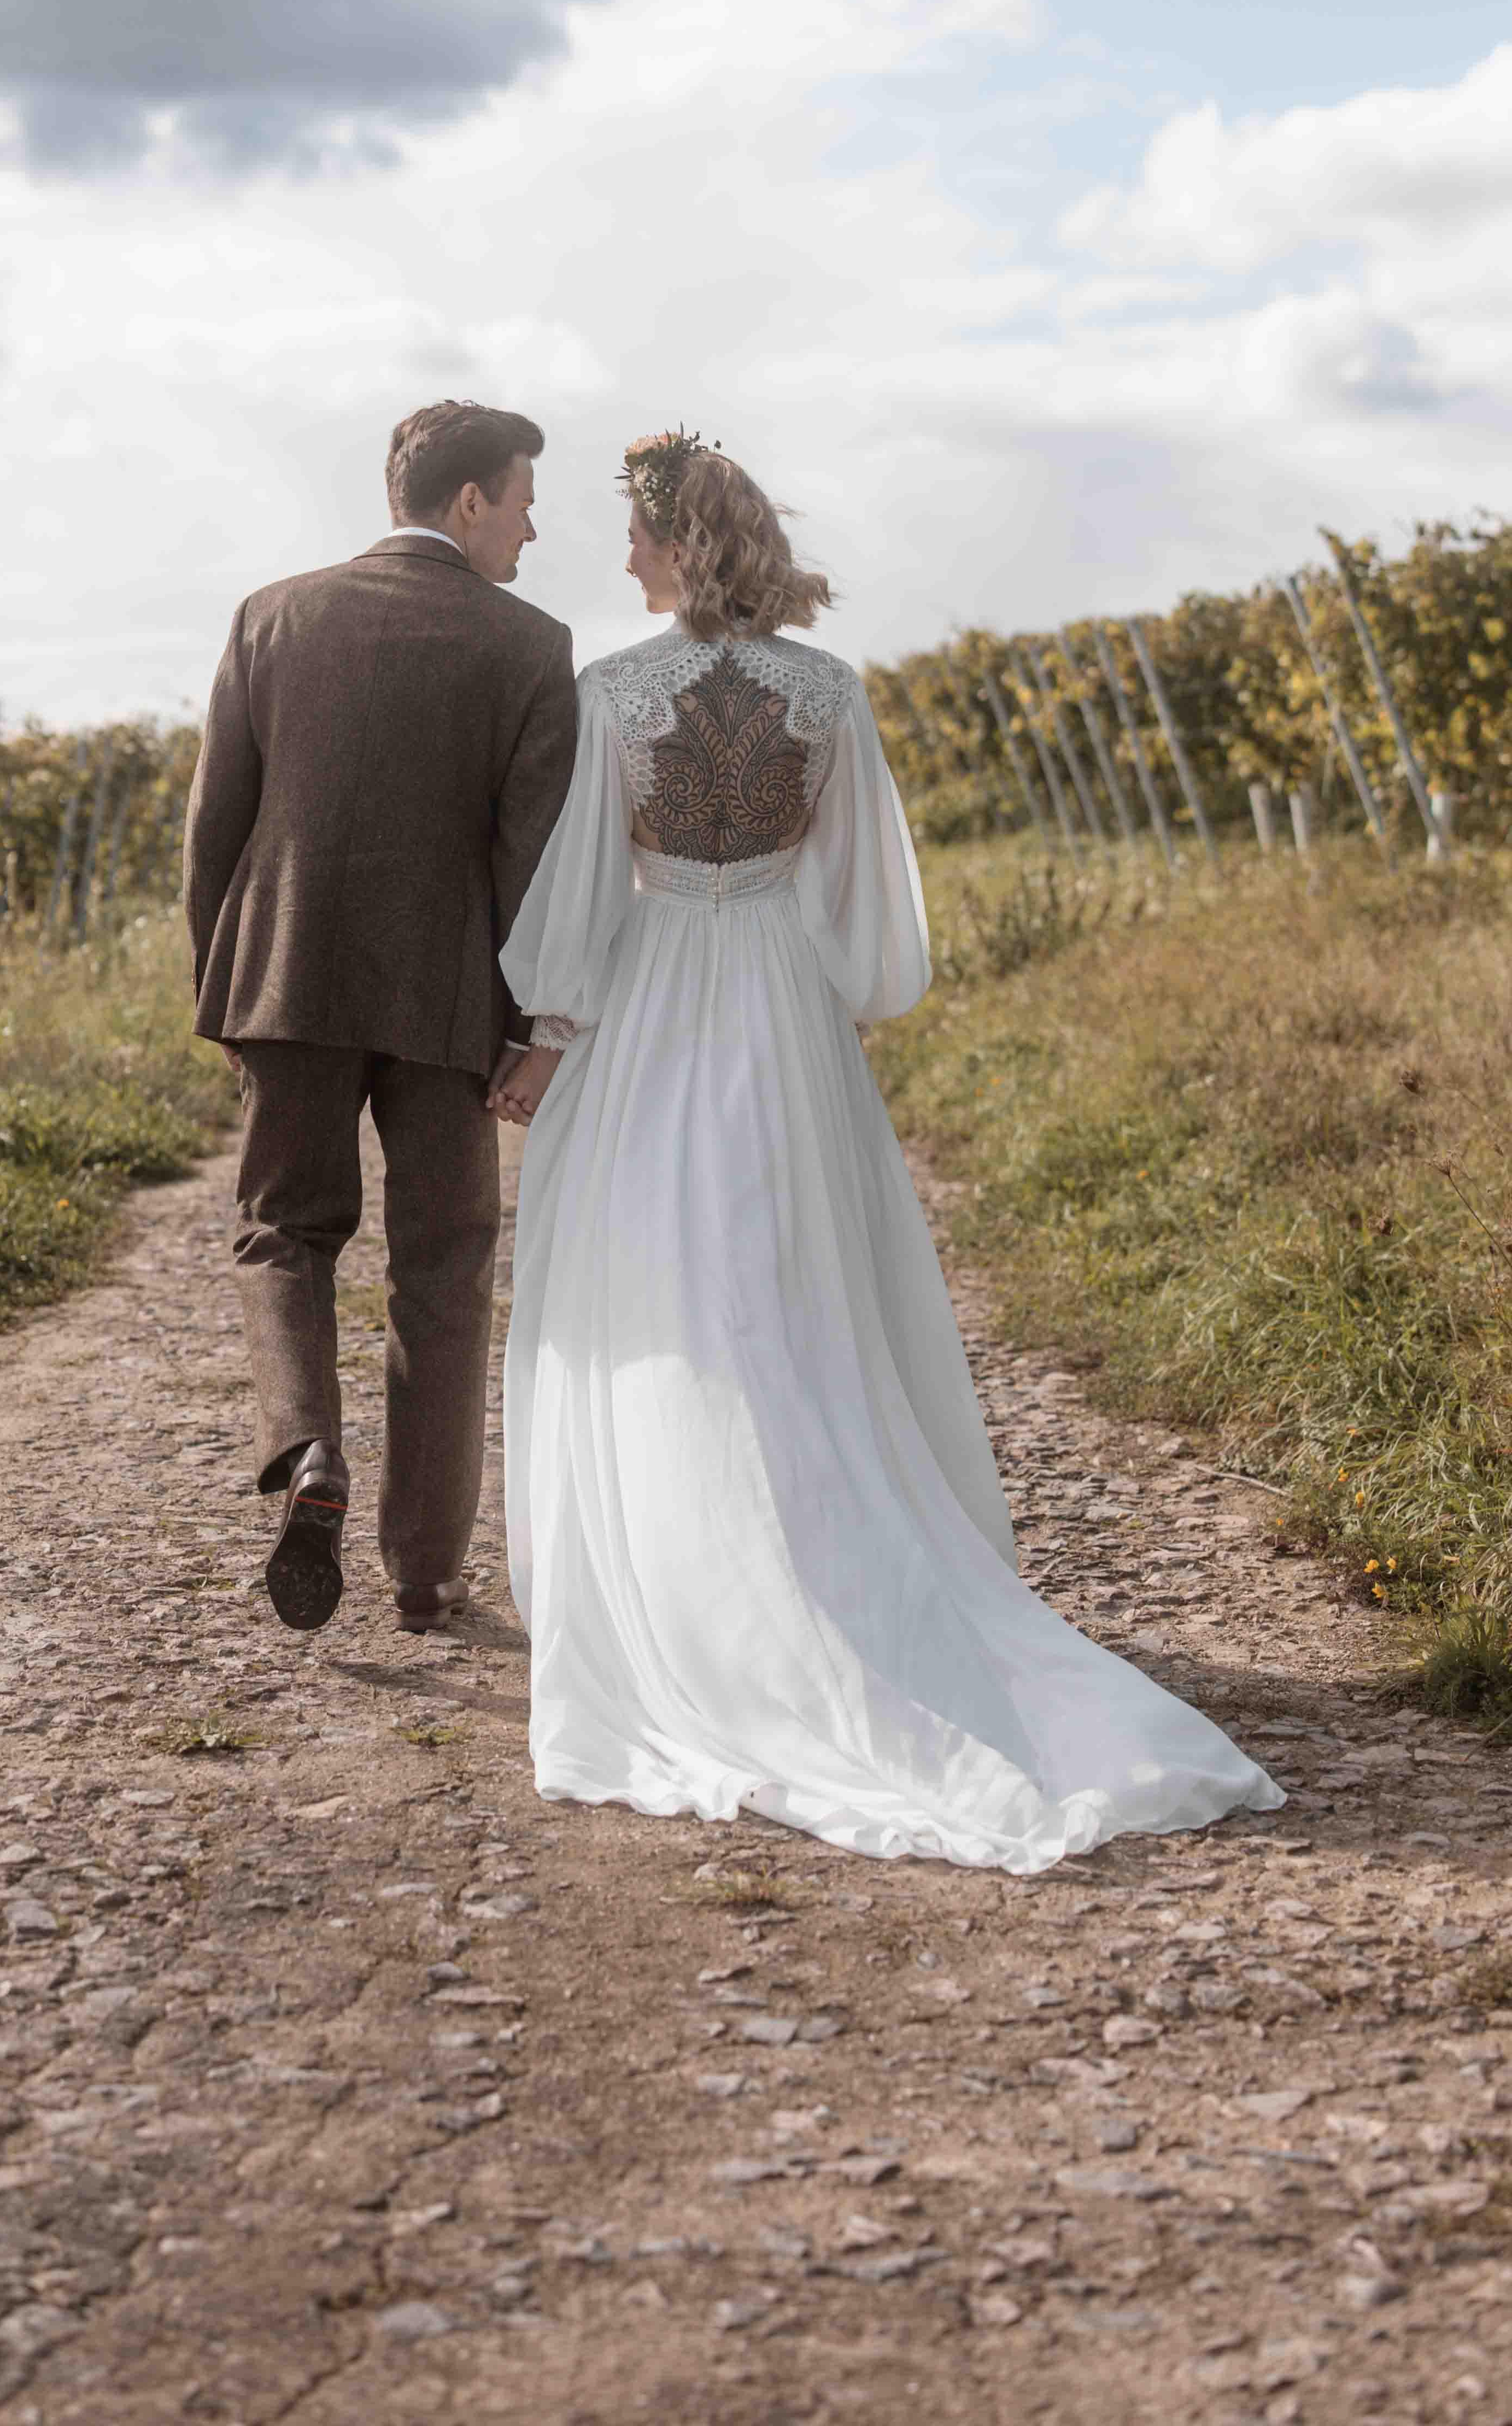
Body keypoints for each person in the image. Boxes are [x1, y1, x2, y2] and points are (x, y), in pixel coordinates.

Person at [488, 431, 1281, 1872]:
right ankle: (831, 1539)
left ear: (678, 544)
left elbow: (590, 891)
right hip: (783, 1003)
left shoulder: (616, 693)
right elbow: (867, 917)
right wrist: (816, 977)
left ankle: (703, 1587)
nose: (622, 559)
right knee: (792, 1287)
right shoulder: (830, 695)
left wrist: (549, 1029)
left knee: (659, 1286)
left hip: (657, 996)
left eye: (636, 536)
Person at [184, 399, 577, 1637]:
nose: (532, 524)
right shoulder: (530, 645)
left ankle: (307, 1456)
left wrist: (228, 991)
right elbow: (535, 860)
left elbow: (217, 827)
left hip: (286, 982)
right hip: (447, 997)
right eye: (521, 498)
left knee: (282, 1237)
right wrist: (531, 1028)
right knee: (442, 1271)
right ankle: (425, 1569)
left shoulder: (271, 614)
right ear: (469, 503)